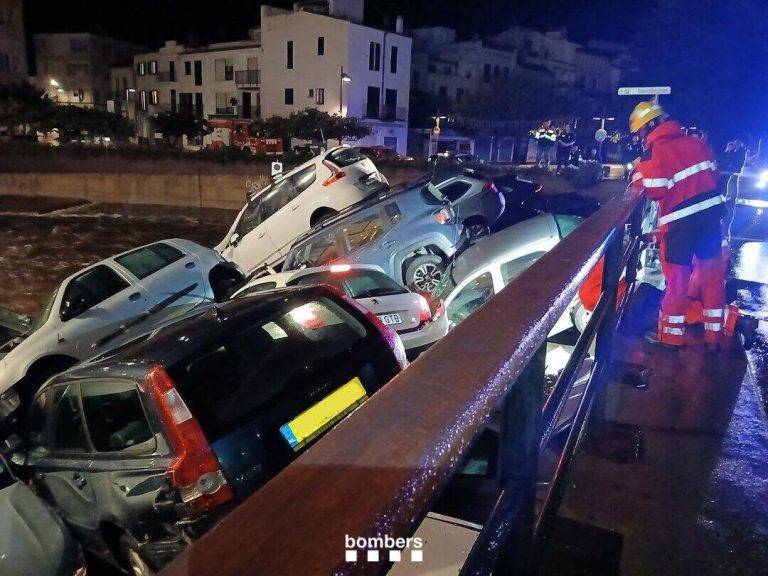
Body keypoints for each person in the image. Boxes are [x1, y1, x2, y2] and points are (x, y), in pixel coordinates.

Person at [629, 100, 725, 351]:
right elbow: (714, 174)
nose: (639, 138)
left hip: (680, 226)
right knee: (712, 277)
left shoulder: (657, 152)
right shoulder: (696, 142)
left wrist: (639, 169)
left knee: (677, 282)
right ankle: (714, 338)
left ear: (648, 127)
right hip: (711, 219)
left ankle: (671, 339)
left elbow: (657, 189)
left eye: (639, 132)